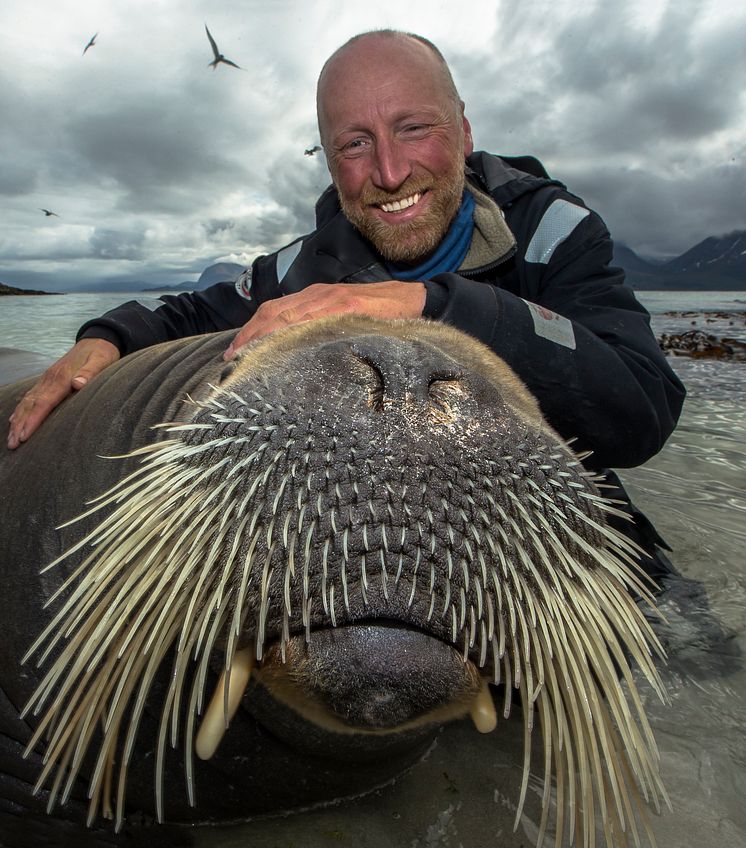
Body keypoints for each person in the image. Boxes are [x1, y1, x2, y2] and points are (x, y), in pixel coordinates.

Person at [7, 30, 685, 560]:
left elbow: (640, 405)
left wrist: (429, 305)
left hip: (533, 530)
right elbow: (185, 313)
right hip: (358, 534)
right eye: (355, 143)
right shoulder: (310, 264)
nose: (389, 172)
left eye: (413, 128)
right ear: (330, 160)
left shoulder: (551, 231)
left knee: (679, 650)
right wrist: (105, 339)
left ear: (466, 130)